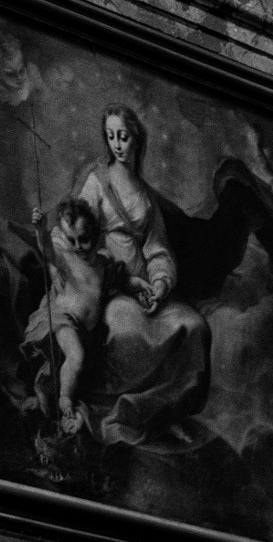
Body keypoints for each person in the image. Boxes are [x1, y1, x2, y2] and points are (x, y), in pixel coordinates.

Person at [69, 105, 213, 448]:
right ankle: (125, 412)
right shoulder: (96, 183)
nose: (118, 144)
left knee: (195, 328)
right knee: (129, 333)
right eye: (111, 136)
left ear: (137, 139)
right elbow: (81, 241)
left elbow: (157, 248)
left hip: (148, 291)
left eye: (124, 136)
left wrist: (161, 284)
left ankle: (162, 412)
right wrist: (123, 280)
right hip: (110, 288)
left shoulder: (146, 197)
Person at [22, 198, 114, 434]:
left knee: (74, 366)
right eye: (71, 240)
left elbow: (121, 280)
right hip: (63, 319)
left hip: (86, 331)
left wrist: (141, 286)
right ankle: (65, 400)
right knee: (76, 356)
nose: (78, 246)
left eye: (84, 239)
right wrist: (41, 230)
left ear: (95, 233)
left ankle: (50, 401)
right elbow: (48, 250)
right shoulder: (67, 257)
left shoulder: (103, 263)